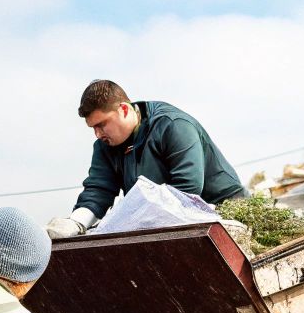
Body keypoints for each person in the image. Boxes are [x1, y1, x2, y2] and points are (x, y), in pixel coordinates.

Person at [46, 78, 244, 237]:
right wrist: (77, 222)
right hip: (169, 225)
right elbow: (99, 189)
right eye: (93, 128)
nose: (97, 134)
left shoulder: (173, 126)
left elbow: (187, 191)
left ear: (124, 109)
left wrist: (135, 222)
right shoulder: (105, 146)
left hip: (226, 216)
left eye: (102, 124)